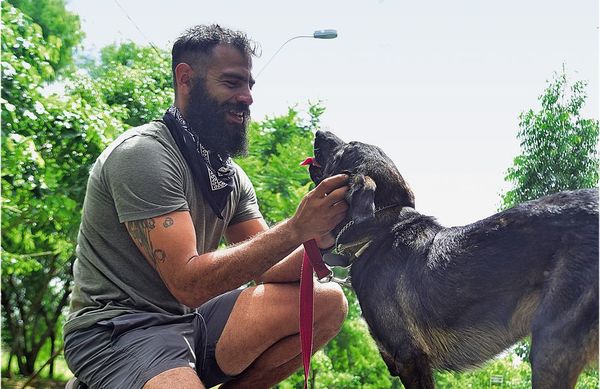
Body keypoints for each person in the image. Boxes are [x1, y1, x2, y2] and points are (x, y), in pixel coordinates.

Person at [63, 24, 349, 389]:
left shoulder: (229, 177)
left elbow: (270, 268)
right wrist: (296, 227)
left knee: (326, 302)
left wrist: (328, 237)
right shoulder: (144, 155)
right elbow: (189, 284)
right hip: (119, 329)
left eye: (249, 85)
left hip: (191, 323)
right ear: (186, 79)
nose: (247, 98)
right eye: (232, 83)